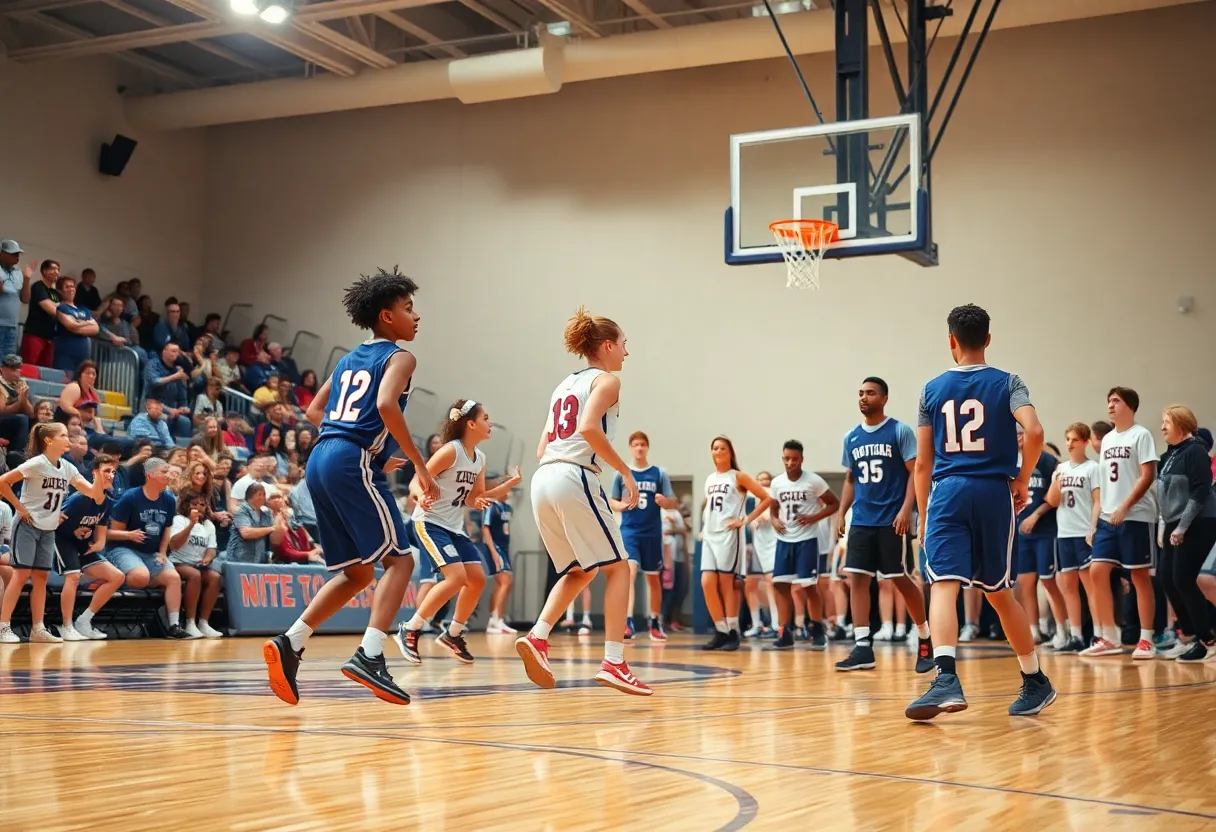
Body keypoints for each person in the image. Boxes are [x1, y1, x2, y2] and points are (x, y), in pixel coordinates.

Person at [263, 268, 437, 708]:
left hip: (321, 458)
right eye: (409, 308)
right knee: (401, 560)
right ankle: (370, 655)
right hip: (348, 459)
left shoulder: (347, 359)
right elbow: (384, 404)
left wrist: (364, 448)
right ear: (387, 316)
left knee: (357, 572)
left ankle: (291, 641)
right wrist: (418, 465)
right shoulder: (400, 358)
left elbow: (314, 411)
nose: (416, 316)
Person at [905, 304, 1055, 721]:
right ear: (988, 339)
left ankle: (946, 677)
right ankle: (1034, 679)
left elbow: (922, 463)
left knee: (943, 584)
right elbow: (1035, 431)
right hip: (993, 492)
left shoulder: (931, 389)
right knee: (999, 592)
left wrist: (923, 516)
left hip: (948, 492)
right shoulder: (1009, 381)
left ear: (951, 341)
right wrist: (1022, 479)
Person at [515, 307, 651, 696]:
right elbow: (589, 427)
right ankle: (614, 662)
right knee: (620, 568)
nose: (626, 352)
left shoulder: (564, 385)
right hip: (574, 476)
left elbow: (542, 446)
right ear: (606, 346)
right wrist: (625, 471)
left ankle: (538, 636)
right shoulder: (607, 381)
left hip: (544, 478)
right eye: (623, 344)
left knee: (580, 569)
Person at [395, 400, 520, 665]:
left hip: (453, 526)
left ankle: (452, 634)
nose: (490, 423)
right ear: (470, 424)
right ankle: (411, 628)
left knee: (477, 579)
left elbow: (474, 498)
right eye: (486, 418)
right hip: (430, 522)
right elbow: (417, 480)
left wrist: (507, 485)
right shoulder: (451, 451)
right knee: (455, 578)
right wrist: (419, 497)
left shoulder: (480, 458)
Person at [836, 377, 933, 672]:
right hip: (861, 520)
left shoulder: (899, 431)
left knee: (899, 578)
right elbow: (850, 479)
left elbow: (915, 473)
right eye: (861, 393)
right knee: (857, 579)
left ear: (884, 398)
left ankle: (924, 637)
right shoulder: (851, 436)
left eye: (870, 393)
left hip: (892, 520)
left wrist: (906, 509)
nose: (863, 397)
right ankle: (862, 646)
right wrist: (841, 512)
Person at [0, 422, 106, 643]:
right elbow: (3, 482)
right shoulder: (37, 463)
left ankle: (37, 629)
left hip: (48, 529)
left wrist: (99, 478)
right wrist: (19, 508)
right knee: (21, 576)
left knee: (41, 578)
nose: (68, 439)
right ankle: (3, 626)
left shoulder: (67, 467)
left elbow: (93, 494)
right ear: (48, 440)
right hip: (27, 526)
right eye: (63, 435)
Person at [1083, 387, 1159, 659]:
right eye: (1109, 401)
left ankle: (1146, 639)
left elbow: (1147, 476)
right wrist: (1097, 520)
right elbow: (1105, 482)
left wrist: (1125, 506)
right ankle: (1109, 637)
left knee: (1139, 576)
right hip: (1108, 518)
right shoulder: (1107, 440)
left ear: (1130, 406)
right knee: (1096, 571)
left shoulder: (1141, 435)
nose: (1110, 405)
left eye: (1116, 400)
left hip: (1136, 516)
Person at [700, 436, 773, 651]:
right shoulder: (710, 479)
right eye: (715, 448)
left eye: (722, 448)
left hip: (729, 534)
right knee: (706, 583)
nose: (718, 451)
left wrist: (745, 520)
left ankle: (733, 631)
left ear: (730, 452)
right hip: (710, 536)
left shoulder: (738, 476)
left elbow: (766, 498)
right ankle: (720, 630)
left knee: (727, 584)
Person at [105, 457, 191, 639]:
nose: (169, 476)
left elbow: (167, 529)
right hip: (123, 548)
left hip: (151, 553)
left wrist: (162, 552)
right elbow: (110, 533)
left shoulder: (168, 499)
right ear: (150, 475)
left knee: (173, 578)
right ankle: (109, 578)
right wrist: (129, 535)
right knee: (140, 576)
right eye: (164, 472)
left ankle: (174, 625)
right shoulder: (131, 497)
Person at [1155, 405, 1216, 662]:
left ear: (1181, 424)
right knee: (1167, 580)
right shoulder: (1170, 453)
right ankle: (1190, 636)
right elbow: (1164, 493)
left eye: (1167, 422)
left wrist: (1181, 527)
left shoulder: (1195, 451)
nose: (1162, 427)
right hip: (1173, 522)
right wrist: (1164, 525)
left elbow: (1200, 491)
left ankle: (1208, 640)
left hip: (1198, 522)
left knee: (1183, 580)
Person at [765, 440, 835, 650]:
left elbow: (834, 503)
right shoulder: (777, 483)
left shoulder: (814, 481)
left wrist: (814, 518)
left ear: (801, 459)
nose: (790, 463)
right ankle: (785, 631)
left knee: (809, 586)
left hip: (807, 540)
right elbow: (773, 507)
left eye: (794, 459)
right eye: (787, 459)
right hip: (784, 540)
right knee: (780, 585)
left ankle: (817, 629)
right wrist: (774, 520)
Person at [609, 431, 678, 641]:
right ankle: (627, 621)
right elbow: (612, 500)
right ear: (630, 448)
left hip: (652, 532)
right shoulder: (622, 473)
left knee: (653, 578)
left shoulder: (659, 474)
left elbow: (672, 502)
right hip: (629, 531)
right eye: (636, 445)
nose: (639, 448)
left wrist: (664, 502)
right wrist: (620, 505)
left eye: (642, 444)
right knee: (628, 574)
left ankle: (655, 621)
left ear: (647, 447)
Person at [1043, 422, 1101, 653]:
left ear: (1085, 442)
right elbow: (1052, 501)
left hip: (1083, 532)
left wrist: (1093, 527)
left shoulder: (1092, 468)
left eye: (1075, 439)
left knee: (1090, 586)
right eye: (1067, 439)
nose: (1070, 443)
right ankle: (1075, 635)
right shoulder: (1061, 468)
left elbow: (1098, 500)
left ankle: (1098, 634)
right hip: (1064, 533)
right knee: (1068, 587)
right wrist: (1057, 480)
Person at [54, 454, 125, 640]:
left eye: (113, 472)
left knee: (117, 577)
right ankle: (66, 625)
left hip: (81, 545)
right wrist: (74, 530)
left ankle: (84, 621)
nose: (110, 475)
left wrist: (99, 543)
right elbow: (54, 522)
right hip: (61, 540)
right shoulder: (80, 498)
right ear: (94, 473)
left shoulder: (108, 502)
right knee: (73, 576)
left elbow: (101, 531)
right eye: (106, 471)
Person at [1013, 424, 1068, 648]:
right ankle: (1033, 630)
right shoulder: (1010, 462)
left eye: (1021, 433)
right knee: (1025, 582)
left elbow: (1053, 497)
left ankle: (1063, 630)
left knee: (1048, 581)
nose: (1018, 437)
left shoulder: (1047, 460)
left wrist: (1035, 515)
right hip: (1021, 531)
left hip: (1045, 530)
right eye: (1014, 434)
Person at [169, 488, 224, 638]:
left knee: (215, 577)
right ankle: (190, 623)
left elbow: (212, 549)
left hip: (198, 565)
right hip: (178, 562)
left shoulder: (208, 525)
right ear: (186, 505)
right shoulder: (179, 520)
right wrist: (191, 525)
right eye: (194, 504)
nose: (198, 507)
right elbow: (174, 544)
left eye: (202, 504)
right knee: (194, 575)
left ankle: (204, 623)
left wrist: (208, 558)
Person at [745, 471, 778, 638]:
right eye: (758, 480)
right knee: (750, 584)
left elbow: (775, 517)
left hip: (773, 544)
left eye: (765, 479)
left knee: (771, 583)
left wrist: (765, 517)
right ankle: (756, 623)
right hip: (756, 545)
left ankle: (776, 624)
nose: (761, 482)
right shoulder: (751, 499)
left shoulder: (775, 495)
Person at [482, 491, 516, 634]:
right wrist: (493, 552)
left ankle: (494, 619)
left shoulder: (507, 508)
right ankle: (497, 619)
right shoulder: (491, 506)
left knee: (501, 583)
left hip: (505, 548)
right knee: (506, 582)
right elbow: (485, 528)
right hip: (496, 548)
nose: (508, 492)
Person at [19, 259, 61, 367]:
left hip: (49, 338)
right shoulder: (38, 286)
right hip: (34, 335)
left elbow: (64, 308)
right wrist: (61, 309)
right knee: (29, 368)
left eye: (58, 270)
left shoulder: (56, 293)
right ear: (44, 271)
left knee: (45, 371)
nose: (56, 272)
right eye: (53, 269)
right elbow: (51, 309)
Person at [0, 240, 34, 359]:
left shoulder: (18, 273)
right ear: (2, 253)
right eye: (13, 254)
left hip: (12, 326)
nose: (17, 257)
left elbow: (25, 299)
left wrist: (27, 279)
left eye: (18, 254)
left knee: (9, 362)